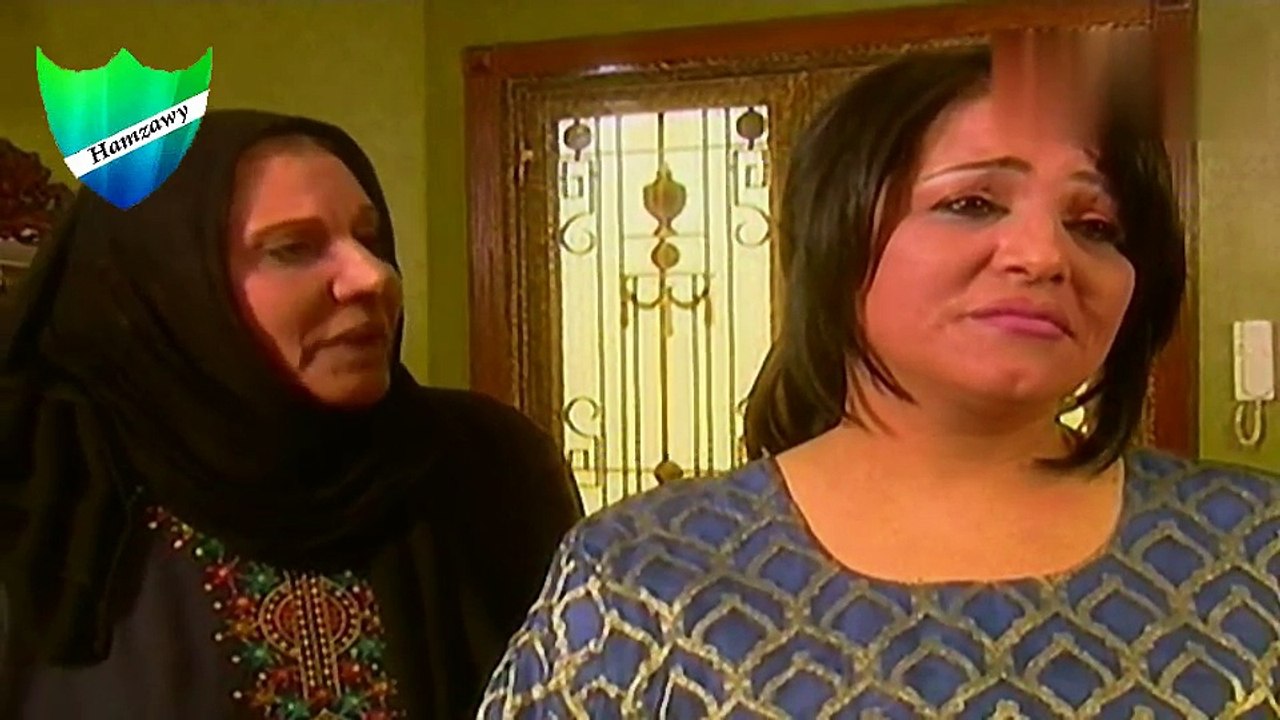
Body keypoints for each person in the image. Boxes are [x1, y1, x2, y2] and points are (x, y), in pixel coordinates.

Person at [478, 46, 1280, 718]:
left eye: (1095, 225)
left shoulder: (1254, 545)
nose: (1044, 255)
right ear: (837, 233)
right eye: (972, 202)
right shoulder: (640, 573)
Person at [0, 110, 583, 719]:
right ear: (166, 285)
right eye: (293, 249)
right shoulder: (48, 493)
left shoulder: (484, 468)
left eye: (371, 239)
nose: (373, 278)